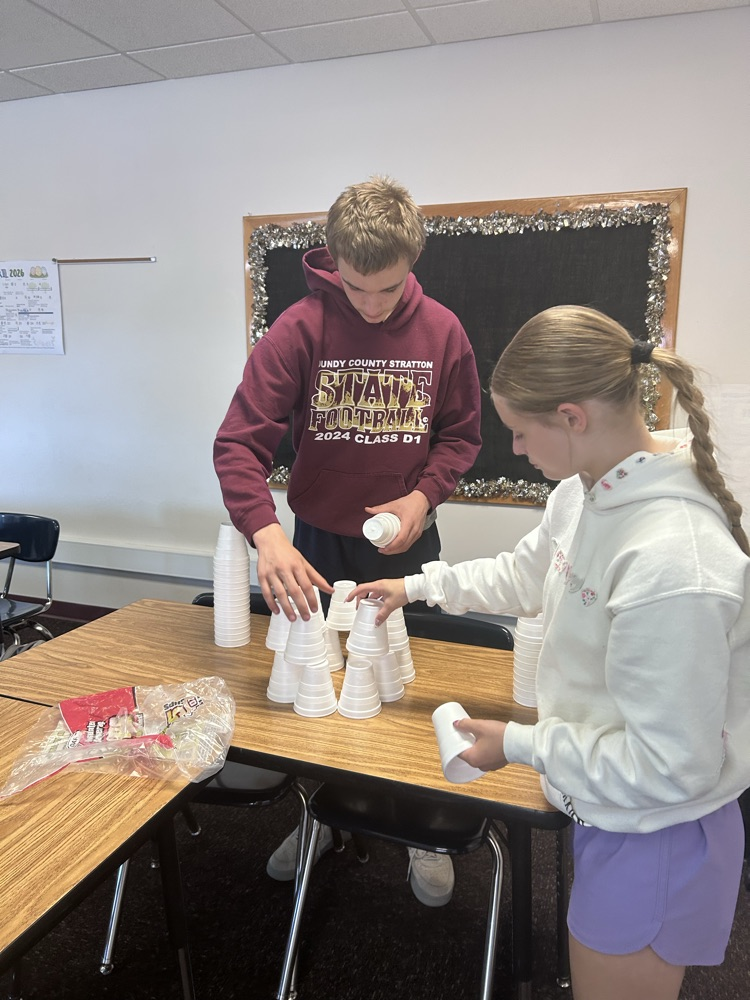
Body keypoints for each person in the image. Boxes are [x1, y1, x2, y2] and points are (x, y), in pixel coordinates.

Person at [350, 305, 750, 999]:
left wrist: (522, 744)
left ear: (572, 417)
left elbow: (671, 767)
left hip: (655, 830)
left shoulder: (669, 561)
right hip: (614, 805)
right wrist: (414, 586)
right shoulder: (585, 491)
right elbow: (526, 573)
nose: (515, 449)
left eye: (518, 432)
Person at [214, 176, 482, 906]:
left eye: (388, 288)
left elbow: (462, 436)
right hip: (314, 547)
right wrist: (265, 536)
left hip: (406, 547)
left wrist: (424, 497)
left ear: (413, 259)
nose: (372, 303)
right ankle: (323, 816)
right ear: (333, 261)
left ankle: (425, 827)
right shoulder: (299, 329)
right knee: (316, 689)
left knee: (405, 690)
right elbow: (237, 444)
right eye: (357, 287)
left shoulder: (444, 332)